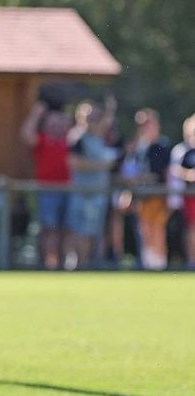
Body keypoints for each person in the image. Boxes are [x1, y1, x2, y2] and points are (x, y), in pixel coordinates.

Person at [65, 98, 118, 269]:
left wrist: (109, 109)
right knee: (79, 231)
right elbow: (74, 163)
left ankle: (88, 264)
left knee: (93, 232)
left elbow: (105, 124)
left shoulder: (99, 138)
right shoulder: (77, 137)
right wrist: (102, 165)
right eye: (89, 116)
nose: (93, 119)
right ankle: (79, 263)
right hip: (82, 192)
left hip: (98, 193)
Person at [20, 99, 72, 270]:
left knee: (66, 229)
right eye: (53, 122)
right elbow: (26, 135)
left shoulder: (70, 142)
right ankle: (48, 265)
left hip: (69, 190)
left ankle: (64, 264)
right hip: (47, 190)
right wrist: (36, 114)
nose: (57, 126)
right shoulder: (42, 141)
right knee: (49, 228)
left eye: (60, 122)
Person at [119, 108, 171, 270]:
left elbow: (162, 174)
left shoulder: (162, 146)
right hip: (141, 197)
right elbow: (130, 172)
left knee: (156, 230)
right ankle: (148, 263)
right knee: (144, 231)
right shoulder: (139, 148)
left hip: (157, 195)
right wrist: (128, 192)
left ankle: (159, 264)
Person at [168, 113, 195, 270]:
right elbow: (175, 170)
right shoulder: (182, 150)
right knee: (191, 228)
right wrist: (188, 175)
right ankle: (191, 260)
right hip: (190, 195)